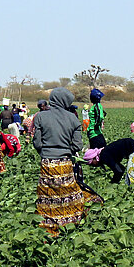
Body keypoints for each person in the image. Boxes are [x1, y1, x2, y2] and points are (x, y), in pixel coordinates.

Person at [33, 88, 103, 236]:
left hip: (47, 164)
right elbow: (77, 146)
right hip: (65, 163)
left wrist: (46, 152)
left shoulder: (40, 117)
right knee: (68, 193)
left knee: (48, 194)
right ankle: (69, 224)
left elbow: (37, 143)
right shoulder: (73, 119)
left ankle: (49, 227)